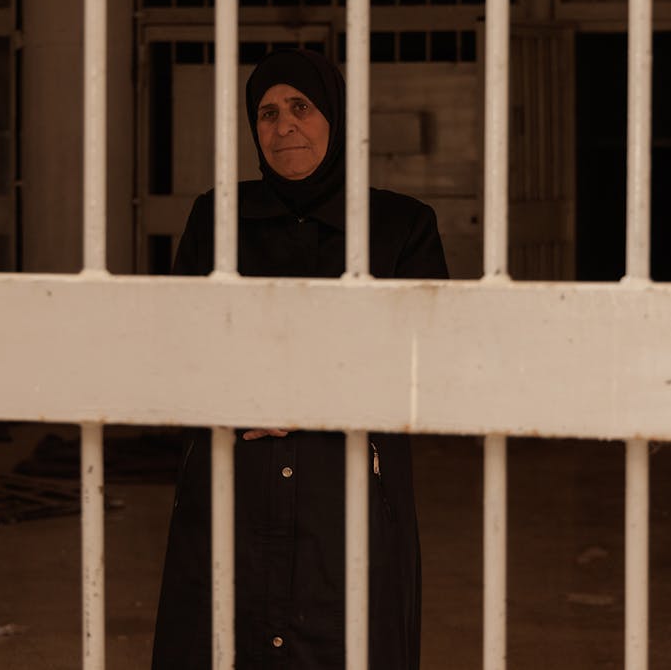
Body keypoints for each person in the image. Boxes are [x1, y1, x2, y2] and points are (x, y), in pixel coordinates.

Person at [151, 47, 448, 669]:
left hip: (347, 494)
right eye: (265, 112)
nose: (283, 125)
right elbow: (178, 343)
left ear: (334, 117)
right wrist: (233, 400)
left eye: (300, 107)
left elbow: (427, 358)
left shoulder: (401, 226)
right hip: (233, 488)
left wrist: (303, 393)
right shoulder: (218, 218)